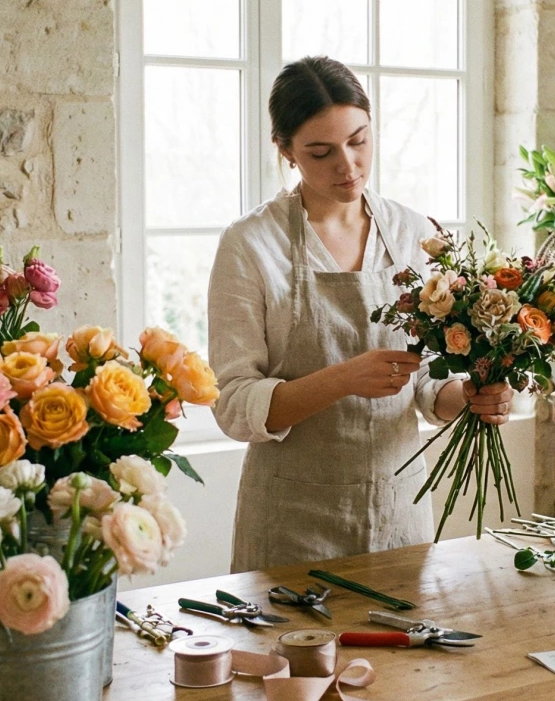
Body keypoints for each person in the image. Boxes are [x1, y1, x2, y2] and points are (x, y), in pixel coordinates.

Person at [208, 56, 514, 572]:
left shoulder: (413, 232)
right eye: (320, 152)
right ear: (284, 150)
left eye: (359, 141)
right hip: (291, 519)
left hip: (399, 511)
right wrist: (342, 378)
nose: (347, 166)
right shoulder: (250, 245)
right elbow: (234, 405)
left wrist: (471, 396)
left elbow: (424, 387)